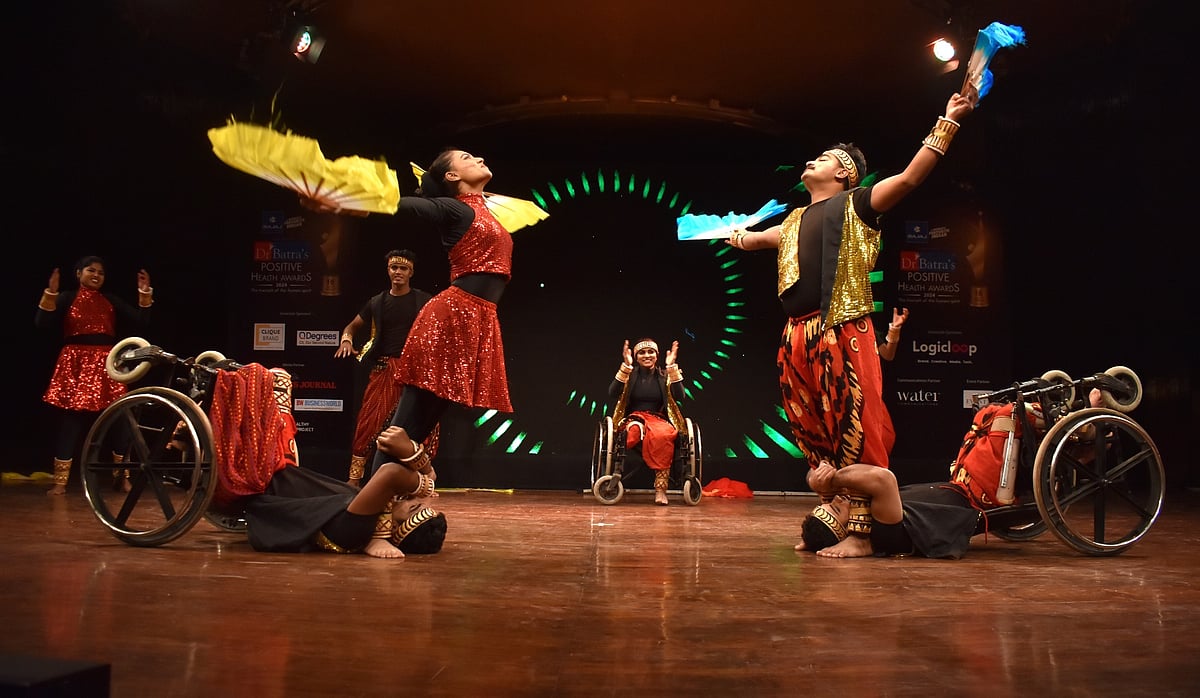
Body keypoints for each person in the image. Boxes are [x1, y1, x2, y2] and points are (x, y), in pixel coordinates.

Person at [726, 92, 973, 477]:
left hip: (841, 328)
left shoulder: (858, 204)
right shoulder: (792, 221)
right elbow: (756, 239)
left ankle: (861, 507)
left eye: (824, 158)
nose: (811, 161)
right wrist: (736, 236)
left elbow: (909, 178)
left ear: (843, 173)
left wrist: (949, 121)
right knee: (808, 421)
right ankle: (835, 497)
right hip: (797, 334)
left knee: (853, 419)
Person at [797, 388, 1108, 558]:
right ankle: (1083, 421)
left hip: (962, 483)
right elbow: (882, 477)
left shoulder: (869, 514)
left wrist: (817, 485)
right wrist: (830, 480)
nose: (838, 499)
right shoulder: (882, 528)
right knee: (1005, 416)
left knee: (986, 416)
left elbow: (855, 482)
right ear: (846, 530)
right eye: (835, 508)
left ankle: (1080, 445)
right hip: (976, 496)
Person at [360, 149, 516, 478]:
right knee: (407, 422)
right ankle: (371, 502)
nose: (478, 159)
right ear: (451, 176)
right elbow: (408, 205)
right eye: (467, 158)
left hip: (475, 318)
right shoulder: (455, 208)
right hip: (451, 317)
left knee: (420, 426)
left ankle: (389, 496)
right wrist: (362, 201)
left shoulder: (482, 209)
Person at [206, 362, 446, 559]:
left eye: (414, 507)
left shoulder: (354, 530)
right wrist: (421, 466)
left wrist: (424, 479)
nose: (413, 499)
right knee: (274, 380)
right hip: (271, 468)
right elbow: (400, 475)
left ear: (397, 529)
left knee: (262, 379)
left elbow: (391, 474)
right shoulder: (364, 521)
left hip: (255, 474)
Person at [35, 256, 153, 495]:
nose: (96, 275)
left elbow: (142, 321)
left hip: (107, 363)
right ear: (79, 273)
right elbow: (41, 323)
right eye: (91, 270)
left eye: (100, 272)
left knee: (120, 419)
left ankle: (122, 477)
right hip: (76, 363)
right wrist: (51, 293)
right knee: (72, 421)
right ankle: (60, 482)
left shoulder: (110, 300)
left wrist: (144, 294)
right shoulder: (67, 297)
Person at [334, 248, 434, 487]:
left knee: (422, 425)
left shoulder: (424, 300)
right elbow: (351, 327)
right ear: (388, 270)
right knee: (369, 422)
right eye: (394, 267)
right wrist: (346, 340)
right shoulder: (377, 302)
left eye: (403, 268)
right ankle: (354, 481)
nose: (398, 272)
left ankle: (423, 479)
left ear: (411, 272)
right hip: (384, 368)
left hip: (415, 370)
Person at [609, 338, 685, 505]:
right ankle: (616, 474)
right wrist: (626, 366)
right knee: (633, 432)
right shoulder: (629, 375)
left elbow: (680, 396)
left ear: (657, 356)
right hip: (634, 418)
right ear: (636, 357)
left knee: (663, 435)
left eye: (651, 352)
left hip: (658, 420)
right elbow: (612, 393)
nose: (647, 355)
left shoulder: (664, 376)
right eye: (642, 353)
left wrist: (672, 366)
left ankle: (660, 490)